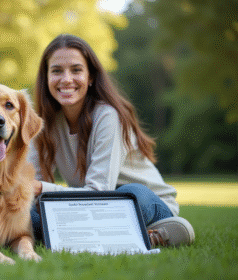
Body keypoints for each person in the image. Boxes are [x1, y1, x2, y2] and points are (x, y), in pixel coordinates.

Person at [28, 34, 195, 247]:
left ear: (90, 77)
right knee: (25, 216)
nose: (66, 79)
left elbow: (99, 193)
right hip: (88, 208)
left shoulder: (107, 116)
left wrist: (42, 189)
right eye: (57, 71)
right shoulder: (43, 124)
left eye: (76, 70)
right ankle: (133, 236)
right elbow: (28, 182)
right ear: (46, 78)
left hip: (143, 202)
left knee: (131, 195)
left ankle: (87, 233)